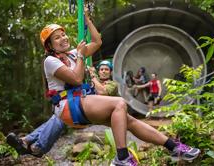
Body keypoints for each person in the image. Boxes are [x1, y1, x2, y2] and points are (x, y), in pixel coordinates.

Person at [41, 7, 200, 166]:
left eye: (63, 34)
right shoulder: (51, 61)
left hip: (79, 102)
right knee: (119, 102)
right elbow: (76, 79)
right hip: (67, 106)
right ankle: (122, 157)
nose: (63, 38)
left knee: (130, 121)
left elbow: (97, 42)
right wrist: (82, 55)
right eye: (57, 38)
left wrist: (88, 20)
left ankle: (174, 147)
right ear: (50, 45)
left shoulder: (73, 54)